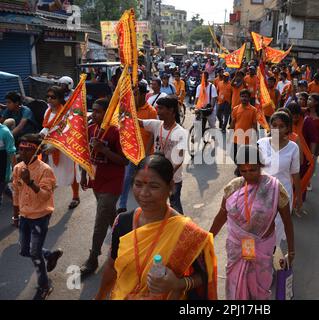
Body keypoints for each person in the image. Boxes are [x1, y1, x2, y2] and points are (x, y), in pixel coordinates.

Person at [95, 154, 217, 300]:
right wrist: (100, 296)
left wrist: (178, 284)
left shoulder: (187, 232)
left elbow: (205, 274)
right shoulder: (122, 222)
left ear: (170, 187)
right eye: (138, 184)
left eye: (154, 186)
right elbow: (111, 265)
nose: (144, 194)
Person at [209, 145, 294, 300]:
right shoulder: (233, 187)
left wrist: (292, 250)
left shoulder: (275, 189)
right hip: (237, 246)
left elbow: (287, 222)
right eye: (243, 170)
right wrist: (208, 238)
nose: (248, 174)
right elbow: (222, 214)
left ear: (260, 166)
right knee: (235, 282)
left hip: (262, 246)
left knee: (260, 287)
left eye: (253, 169)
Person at [79, 98, 128, 277]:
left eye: (98, 111)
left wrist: (105, 150)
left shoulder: (116, 132)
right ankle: (126, 242)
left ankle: (93, 258)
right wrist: (84, 175)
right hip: (96, 180)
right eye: (93, 110)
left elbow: (124, 161)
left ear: (108, 113)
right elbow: (86, 155)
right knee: (110, 216)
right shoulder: (91, 130)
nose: (94, 114)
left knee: (100, 219)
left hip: (112, 181)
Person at [12, 134, 63, 300]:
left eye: (27, 150)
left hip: (40, 216)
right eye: (20, 149)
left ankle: (44, 286)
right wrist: (16, 214)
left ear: (36, 150)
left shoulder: (45, 170)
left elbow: (45, 197)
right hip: (25, 215)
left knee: (34, 253)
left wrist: (30, 182)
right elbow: (16, 191)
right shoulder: (18, 168)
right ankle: (49, 255)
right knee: (24, 250)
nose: (22, 153)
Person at [257, 112, 301, 245]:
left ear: (288, 128)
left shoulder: (293, 148)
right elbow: (254, 169)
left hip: (282, 195)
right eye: (274, 125)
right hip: (262, 193)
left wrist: (298, 195)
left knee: (276, 229)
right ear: (269, 126)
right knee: (260, 228)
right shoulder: (261, 143)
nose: (277, 129)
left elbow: (295, 173)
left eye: (281, 126)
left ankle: (270, 253)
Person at [139, 96, 186, 214]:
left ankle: (182, 227)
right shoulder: (157, 125)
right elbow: (138, 122)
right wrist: (126, 114)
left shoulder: (180, 133)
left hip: (173, 178)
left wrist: (169, 175)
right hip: (156, 175)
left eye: (161, 108)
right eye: (157, 108)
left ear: (171, 111)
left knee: (175, 204)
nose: (157, 111)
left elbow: (179, 159)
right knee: (157, 203)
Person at [117, 82, 157, 214]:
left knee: (148, 180)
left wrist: (146, 153)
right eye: (132, 94)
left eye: (136, 94)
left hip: (146, 153)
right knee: (127, 177)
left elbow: (152, 133)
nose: (133, 96)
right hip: (132, 151)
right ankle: (122, 204)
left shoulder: (151, 111)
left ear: (143, 94)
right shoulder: (128, 109)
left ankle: (149, 205)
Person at [40, 86, 81, 210]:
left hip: (65, 147)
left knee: (71, 172)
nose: (49, 99)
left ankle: (75, 196)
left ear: (60, 98)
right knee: (51, 173)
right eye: (48, 97)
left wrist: (56, 146)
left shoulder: (66, 113)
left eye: (53, 97)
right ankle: (47, 200)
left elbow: (67, 132)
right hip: (50, 146)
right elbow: (47, 128)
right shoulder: (47, 112)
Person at [303, 94, 319, 191]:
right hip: (303, 141)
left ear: (316, 102)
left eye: (310, 99)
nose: (307, 101)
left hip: (316, 143)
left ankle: (308, 180)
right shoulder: (304, 112)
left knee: (312, 163)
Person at [230, 90, 258, 175]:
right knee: (234, 155)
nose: (244, 98)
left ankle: (241, 170)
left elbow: (254, 125)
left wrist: (254, 137)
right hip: (236, 138)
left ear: (249, 98)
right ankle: (239, 167)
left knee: (245, 157)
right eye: (242, 96)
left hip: (247, 139)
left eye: (246, 97)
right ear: (240, 97)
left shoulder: (253, 110)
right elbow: (233, 123)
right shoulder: (235, 109)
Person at [0, 120, 15, 207]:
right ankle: (16, 199)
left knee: (2, 184)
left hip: (3, 170)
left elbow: (11, 153)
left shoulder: (5, 132)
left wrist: (16, 170)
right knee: (4, 187)